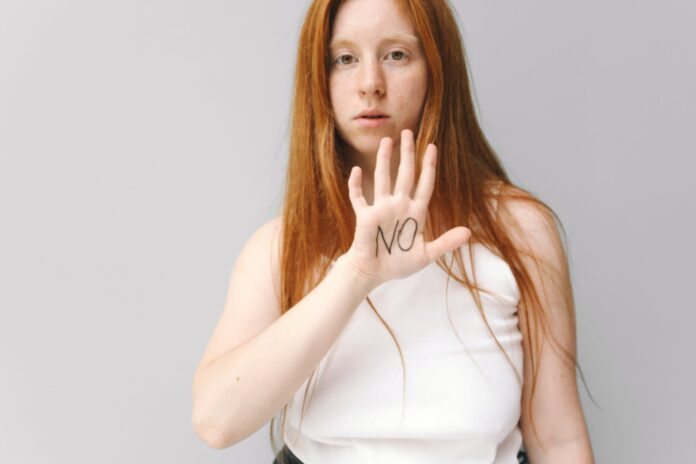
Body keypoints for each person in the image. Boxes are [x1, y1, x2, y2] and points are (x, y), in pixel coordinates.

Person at [191, 0, 596, 462]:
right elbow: (216, 421)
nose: (370, 85)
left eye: (396, 55)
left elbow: (559, 439)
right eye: (344, 59)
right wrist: (355, 276)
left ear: (437, 69)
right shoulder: (280, 248)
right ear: (318, 81)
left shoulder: (520, 231)